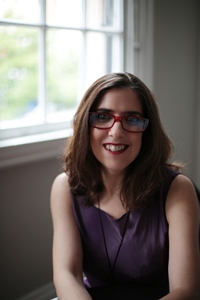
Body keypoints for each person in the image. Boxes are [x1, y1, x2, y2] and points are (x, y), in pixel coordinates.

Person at [50, 72, 200, 300]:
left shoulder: (178, 189)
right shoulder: (65, 187)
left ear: (146, 131)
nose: (116, 132)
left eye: (132, 119)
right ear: (85, 125)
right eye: (102, 116)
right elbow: (67, 274)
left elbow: (185, 291)